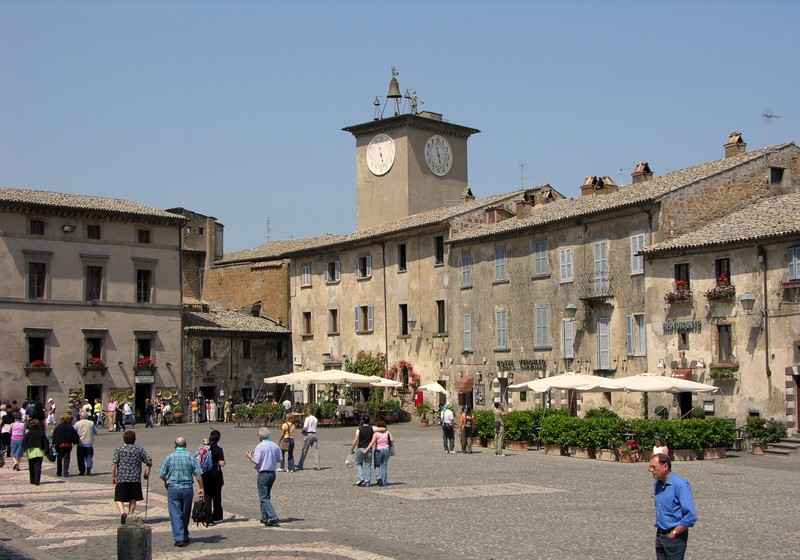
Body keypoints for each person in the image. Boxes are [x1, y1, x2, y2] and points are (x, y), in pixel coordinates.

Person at [649, 453, 697, 560]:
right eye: (650, 467)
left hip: (675, 538)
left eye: (654, 467)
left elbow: (691, 516)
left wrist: (674, 533)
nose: (650, 470)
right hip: (660, 535)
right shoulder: (658, 483)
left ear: (665, 466)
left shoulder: (680, 485)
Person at [159, 437, 204, 547]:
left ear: (174, 445)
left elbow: (161, 474)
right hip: (187, 488)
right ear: (186, 445)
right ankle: (184, 534)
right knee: (185, 512)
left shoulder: (169, 457)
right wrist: (201, 487)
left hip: (173, 487)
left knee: (175, 513)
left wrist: (166, 482)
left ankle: (179, 538)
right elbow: (198, 474)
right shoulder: (190, 457)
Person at [112, 430, 153, 525]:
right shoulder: (139, 449)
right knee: (133, 498)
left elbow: (114, 464)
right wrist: (147, 472)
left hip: (122, 477)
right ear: (134, 439)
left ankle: (122, 512)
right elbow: (149, 461)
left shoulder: (119, 450)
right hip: (135, 478)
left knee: (118, 498)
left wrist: (113, 476)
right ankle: (130, 515)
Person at [246, 427, 282, 526]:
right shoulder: (275, 445)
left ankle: (272, 516)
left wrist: (250, 457)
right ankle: (264, 517)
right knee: (265, 495)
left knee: (263, 496)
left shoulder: (260, 446)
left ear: (261, 436)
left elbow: (256, 461)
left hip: (263, 473)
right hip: (272, 473)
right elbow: (280, 459)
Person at [202, 429, 226, 524]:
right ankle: (217, 515)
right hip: (216, 474)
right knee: (217, 496)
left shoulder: (205, 449)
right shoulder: (219, 450)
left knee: (207, 496)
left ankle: (208, 517)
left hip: (206, 474)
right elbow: (222, 463)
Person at [364, 420, 394, 487]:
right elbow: (392, 439)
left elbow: (372, 442)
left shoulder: (376, 434)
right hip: (386, 449)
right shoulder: (387, 432)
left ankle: (378, 478)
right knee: (384, 466)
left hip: (378, 450)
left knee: (377, 465)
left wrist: (366, 449)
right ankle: (384, 481)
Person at [21, 419, 49, 485]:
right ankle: (37, 481)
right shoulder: (42, 433)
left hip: (30, 451)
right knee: (38, 466)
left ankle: (32, 480)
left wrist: (24, 449)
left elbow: (24, 443)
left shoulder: (28, 433)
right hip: (39, 451)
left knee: (31, 466)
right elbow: (46, 442)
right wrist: (46, 450)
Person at [52, 412, 80, 477]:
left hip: (59, 445)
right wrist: (74, 442)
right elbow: (75, 436)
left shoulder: (58, 427)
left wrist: (54, 443)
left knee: (59, 458)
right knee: (66, 459)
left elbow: (54, 436)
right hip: (67, 445)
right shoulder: (70, 427)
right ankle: (65, 472)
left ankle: (59, 472)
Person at [350, 418, 374, 487]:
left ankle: (361, 478)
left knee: (359, 463)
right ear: (369, 421)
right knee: (368, 465)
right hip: (368, 448)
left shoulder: (359, 429)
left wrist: (352, 448)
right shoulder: (372, 428)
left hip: (360, 448)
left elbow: (356, 440)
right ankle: (367, 481)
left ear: (362, 421)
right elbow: (382, 428)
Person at [74, 411, 98, 475]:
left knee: (80, 458)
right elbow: (96, 431)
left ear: (81, 416)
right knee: (89, 457)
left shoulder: (77, 424)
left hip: (80, 443)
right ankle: (88, 468)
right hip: (89, 443)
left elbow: (73, 431)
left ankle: (82, 470)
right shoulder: (91, 423)